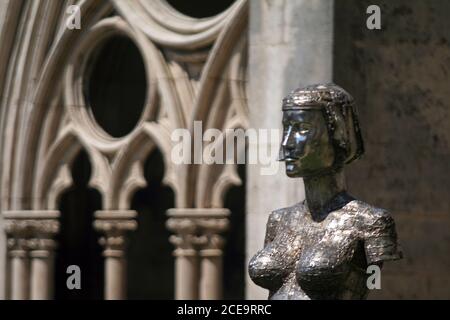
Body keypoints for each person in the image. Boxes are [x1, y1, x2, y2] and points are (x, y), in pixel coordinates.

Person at [248, 83, 402, 300]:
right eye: (286, 128)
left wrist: (368, 280)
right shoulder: (278, 220)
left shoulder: (370, 222)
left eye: (301, 129)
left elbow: (373, 284)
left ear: (338, 134)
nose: (287, 143)